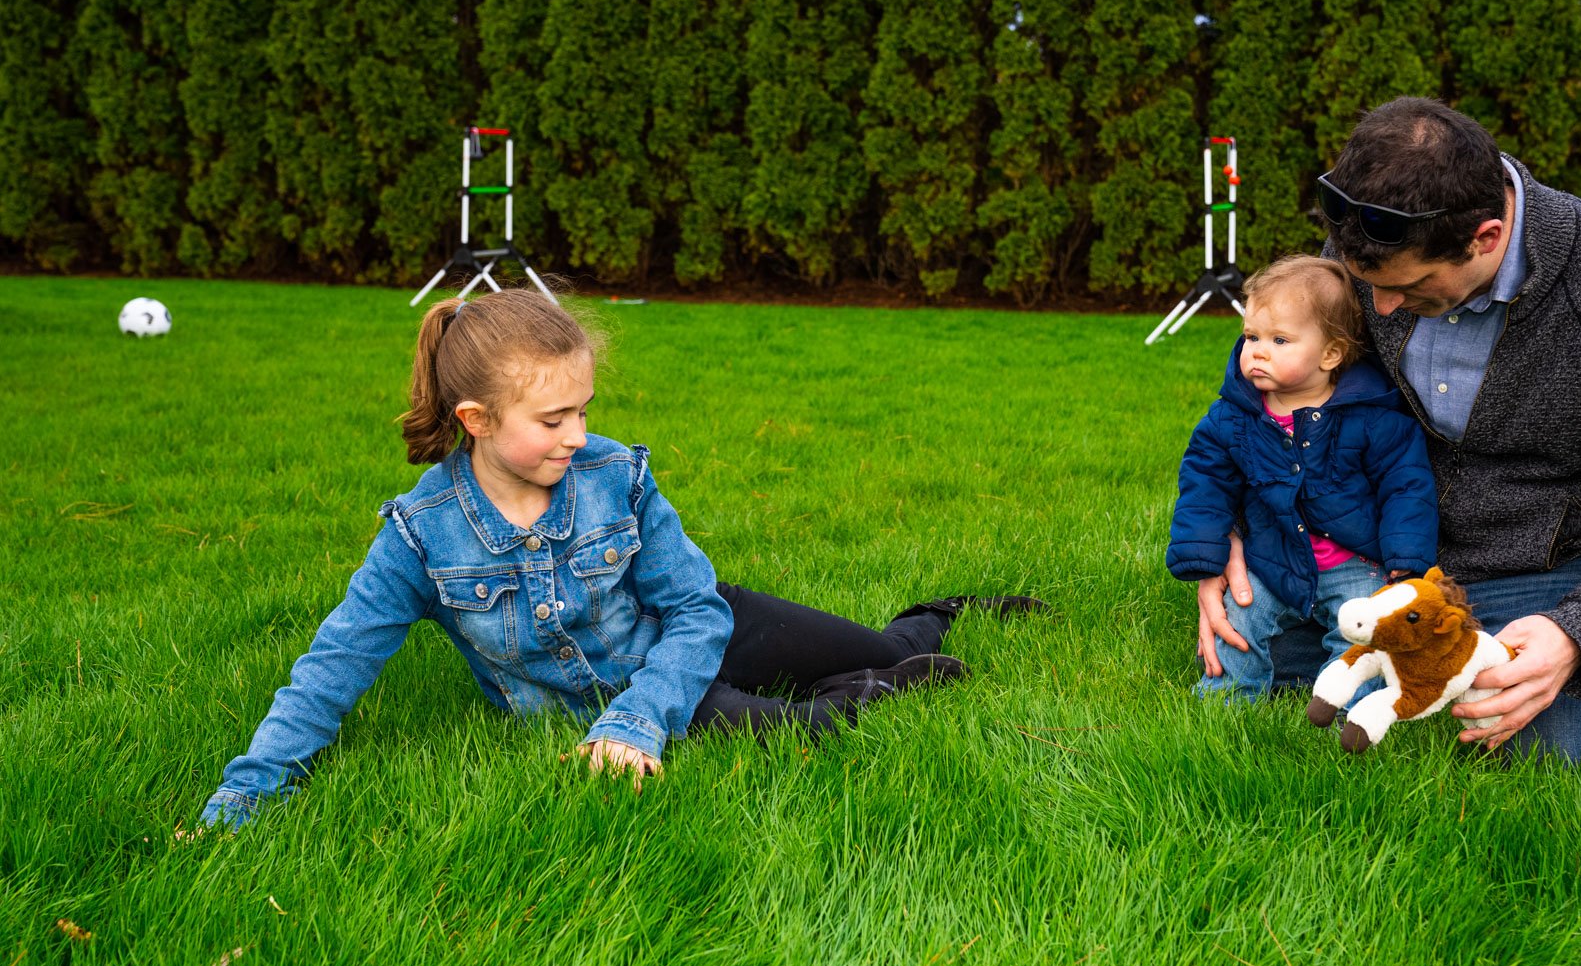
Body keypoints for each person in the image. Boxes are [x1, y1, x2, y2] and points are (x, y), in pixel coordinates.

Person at [198, 290, 1042, 829]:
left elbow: (699, 608)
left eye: (584, 409)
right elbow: (331, 668)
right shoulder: (420, 538)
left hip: (700, 631)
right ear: (476, 420)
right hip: (599, 703)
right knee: (793, 735)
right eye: (554, 418)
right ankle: (864, 698)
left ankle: (927, 624)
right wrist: (245, 794)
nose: (578, 435)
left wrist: (650, 709)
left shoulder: (614, 475)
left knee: (883, 648)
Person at [1195, 97, 1581, 760]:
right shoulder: (1370, 240)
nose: (1383, 308)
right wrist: (1226, 533)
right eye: (1367, 284)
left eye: (1413, 286)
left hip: (1549, 560)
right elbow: (1264, 391)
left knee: (1550, 744)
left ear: (1486, 237)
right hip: (1386, 554)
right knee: (1252, 660)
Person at [1167, 255, 1437, 699]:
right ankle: (1226, 701)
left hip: (1354, 561)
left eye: (1279, 339)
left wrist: (1406, 560)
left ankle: (1343, 710)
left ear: (1330, 354)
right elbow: (1204, 482)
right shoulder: (1235, 416)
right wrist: (1203, 553)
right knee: (1240, 619)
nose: (1257, 350)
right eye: (1251, 336)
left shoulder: (1370, 416)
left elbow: (1406, 486)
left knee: (1361, 634)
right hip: (1270, 558)